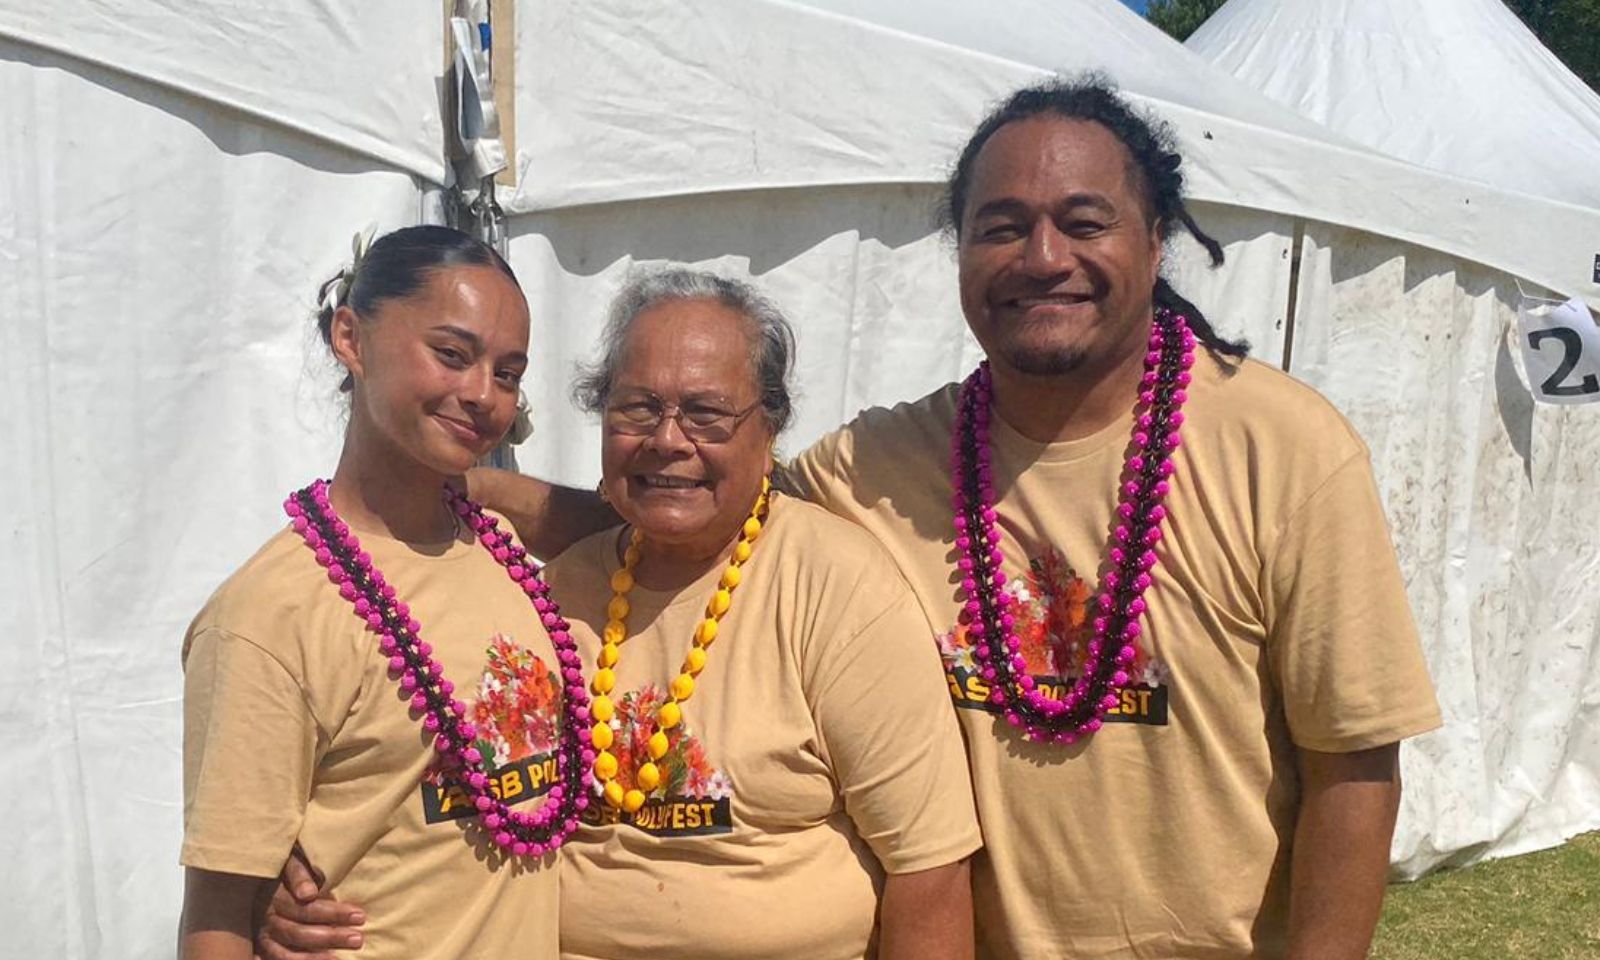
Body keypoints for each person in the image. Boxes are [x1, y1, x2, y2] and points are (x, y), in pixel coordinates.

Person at [267, 75, 1443, 960]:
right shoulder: (883, 461)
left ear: (1154, 237)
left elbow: (1354, 762)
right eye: (998, 224)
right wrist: (458, 490)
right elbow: (690, 512)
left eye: (1084, 221)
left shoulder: (1283, 449)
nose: (1041, 256)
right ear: (959, 252)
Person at [258, 268, 982, 960]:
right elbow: (423, 757)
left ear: (770, 429)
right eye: (637, 407)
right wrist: (305, 867)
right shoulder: (552, 590)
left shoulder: (839, 589)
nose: (668, 439)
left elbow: (931, 870)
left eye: (705, 412)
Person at [179, 226, 590, 960]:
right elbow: (217, 914)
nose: (482, 396)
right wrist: (259, 904)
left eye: (508, 373)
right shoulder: (269, 615)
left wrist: (483, 485)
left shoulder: (503, 551)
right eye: (452, 355)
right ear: (351, 338)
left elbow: (658, 521)